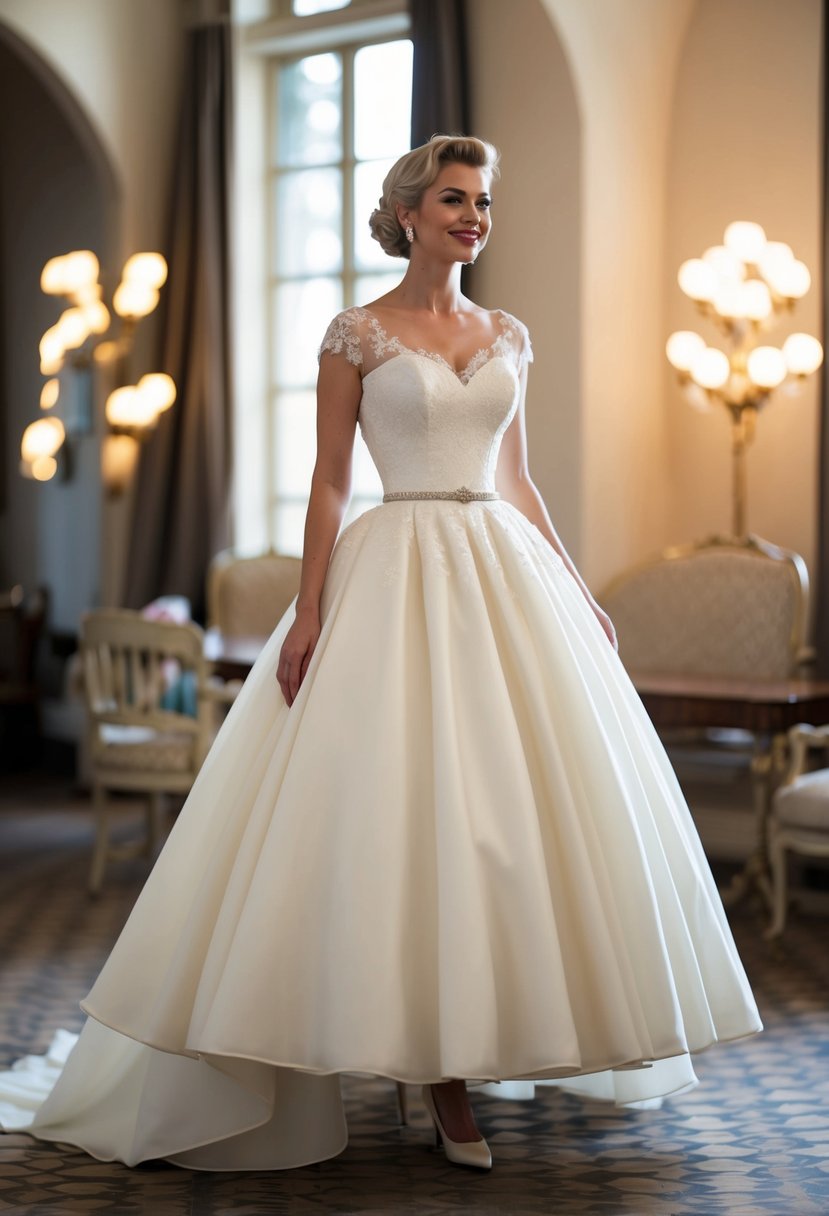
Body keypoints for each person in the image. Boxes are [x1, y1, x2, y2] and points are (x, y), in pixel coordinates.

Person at [0, 135, 761, 1173]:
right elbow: (326, 482)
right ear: (408, 213)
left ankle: (466, 1052)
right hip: (391, 564)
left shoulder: (508, 333)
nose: (474, 217)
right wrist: (309, 610)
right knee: (403, 812)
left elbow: (520, 480)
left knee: (505, 816)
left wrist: (580, 593)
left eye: (484, 202)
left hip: (500, 568)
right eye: (455, 199)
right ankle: (430, 1077)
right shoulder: (355, 333)